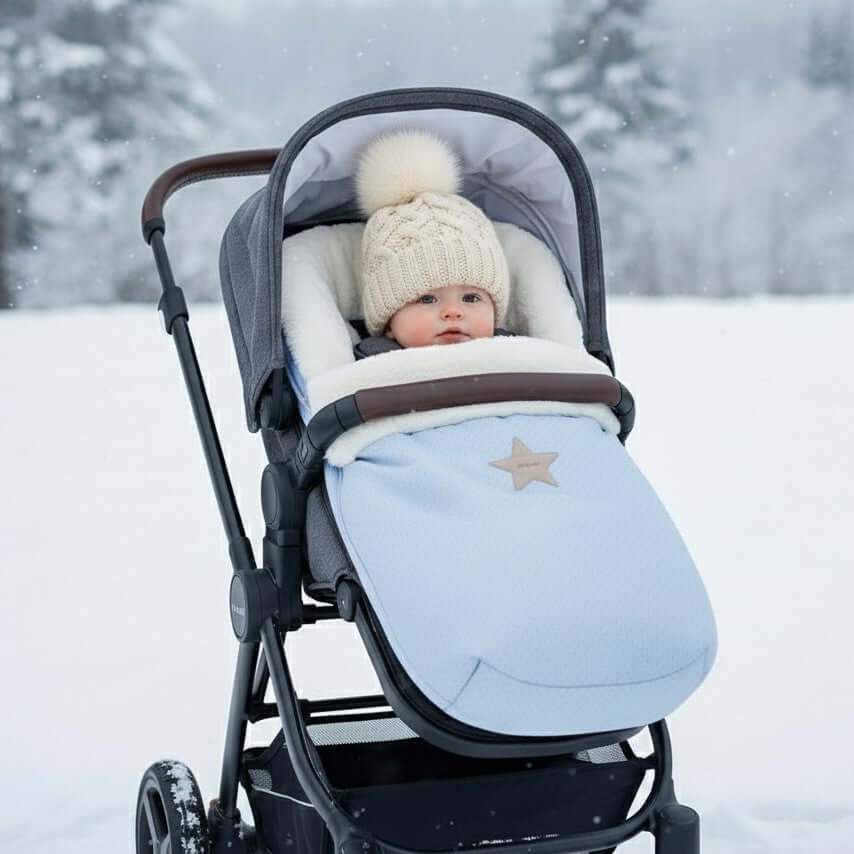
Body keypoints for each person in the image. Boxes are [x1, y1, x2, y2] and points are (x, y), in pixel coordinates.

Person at [353, 129, 512, 359]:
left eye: (471, 298)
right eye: (427, 299)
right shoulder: (370, 370)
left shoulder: (519, 358)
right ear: (389, 325)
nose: (453, 312)